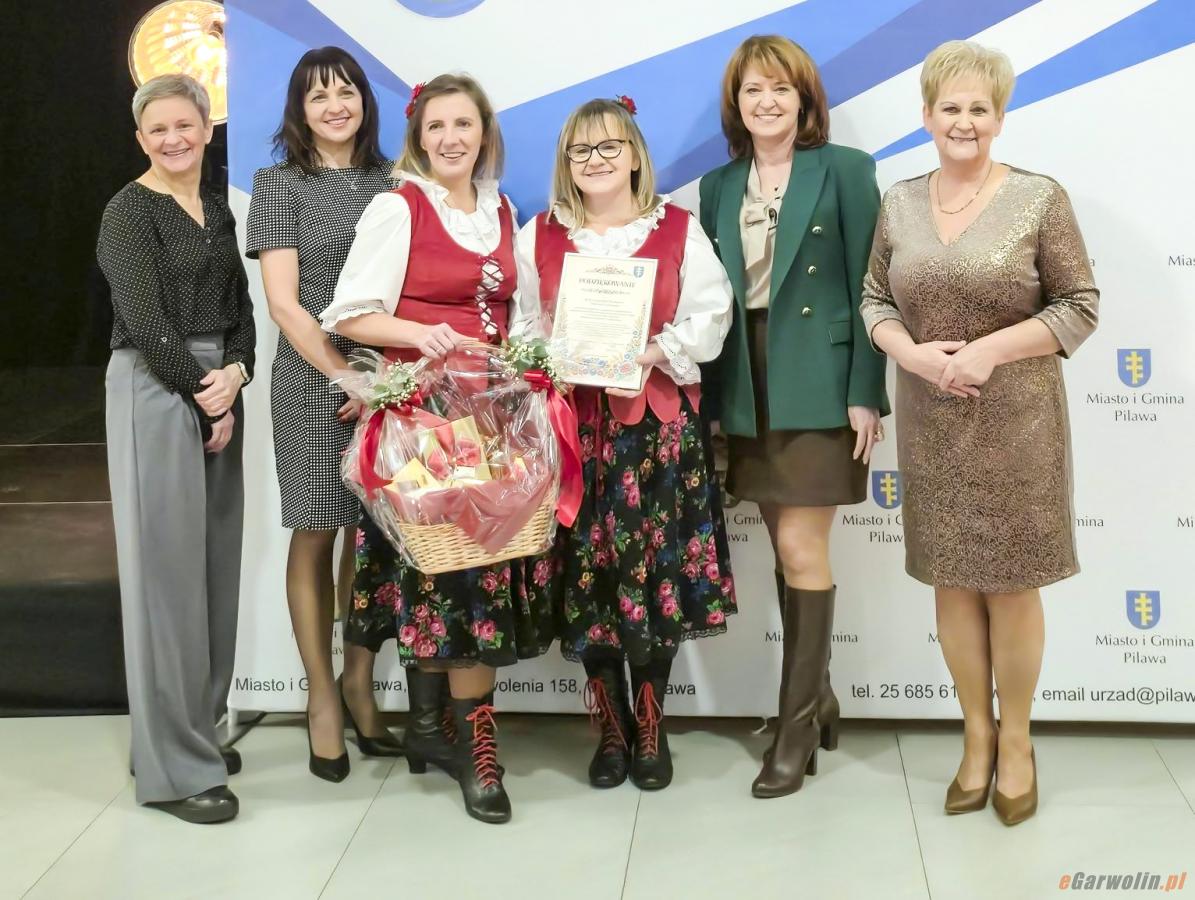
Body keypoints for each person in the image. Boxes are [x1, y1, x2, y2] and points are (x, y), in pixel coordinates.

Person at [860, 41, 1098, 826]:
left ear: (999, 117)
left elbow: (1078, 304)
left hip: (1017, 421)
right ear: (926, 116)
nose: (963, 121)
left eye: (978, 108)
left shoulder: (1037, 198)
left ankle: (1018, 741)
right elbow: (872, 299)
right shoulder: (898, 201)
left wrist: (992, 350)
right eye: (949, 107)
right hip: (930, 420)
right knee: (952, 581)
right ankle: (975, 736)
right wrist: (911, 355)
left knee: (1012, 583)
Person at [321, 73, 556, 824]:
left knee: (472, 570)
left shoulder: (501, 210)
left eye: (464, 124)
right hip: (425, 422)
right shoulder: (399, 207)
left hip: (492, 419)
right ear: (418, 138)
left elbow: (520, 313)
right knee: (448, 576)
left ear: (484, 133)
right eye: (436, 127)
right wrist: (423, 334)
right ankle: (468, 745)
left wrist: (527, 362)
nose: (451, 139)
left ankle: (435, 728)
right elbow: (350, 315)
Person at [514, 96, 736, 792]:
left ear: (635, 155)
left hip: (654, 433)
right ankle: (611, 724)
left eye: (610, 146)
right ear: (566, 162)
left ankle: (650, 726)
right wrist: (553, 357)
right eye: (582, 149)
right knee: (590, 575)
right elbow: (521, 326)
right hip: (575, 432)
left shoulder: (677, 228)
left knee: (654, 575)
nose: (597, 160)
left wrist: (649, 352)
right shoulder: (539, 234)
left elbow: (712, 314)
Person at [698, 35, 888, 798]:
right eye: (753, 90)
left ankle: (796, 725)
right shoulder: (718, 185)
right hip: (745, 376)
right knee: (784, 549)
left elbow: (873, 284)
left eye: (780, 88)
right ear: (735, 105)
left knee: (802, 548)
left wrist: (864, 389)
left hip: (818, 376)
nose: (767, 102)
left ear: (804, 99)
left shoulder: (844, 170)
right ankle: (820, 699)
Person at [98, 74, 255, 824]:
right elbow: (145, 319)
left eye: (184, 125)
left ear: (206, 128)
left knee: (213, 570)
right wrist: (202, 394)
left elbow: (241, 311)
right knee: (165, 579)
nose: (173, 139)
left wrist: (236, 373)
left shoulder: (215, 208)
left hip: (216, 387)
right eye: (157, 128)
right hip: (157, 389)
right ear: (140, 138)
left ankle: (194, 731)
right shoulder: (127, 212)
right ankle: (172, 770)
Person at [246, 47, 404, 783]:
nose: (335, 106)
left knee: (372, 540)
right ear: (299, 111)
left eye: (346, 92)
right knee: (316, 530)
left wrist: (381, 379)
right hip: (313, 379)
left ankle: (359, 682)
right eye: (318, 96)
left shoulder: (397, 182)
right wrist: (345, 373)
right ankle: (320, 698)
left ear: (365, 102)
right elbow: (284, 304)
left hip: (389, 379)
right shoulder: (278, 184)